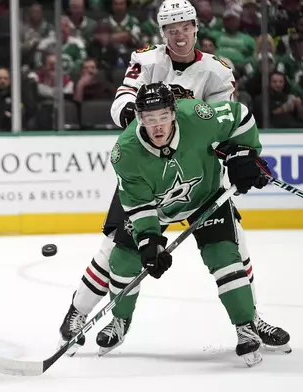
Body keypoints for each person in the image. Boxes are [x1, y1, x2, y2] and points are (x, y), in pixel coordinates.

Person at [57, 0, 290, 355]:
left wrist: (243, 155)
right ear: (162, 32)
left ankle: (250, 318)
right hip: (148, 170)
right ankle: (80, 314)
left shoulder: (216, 70)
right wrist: (149, 131)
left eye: (184, 27)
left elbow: (225, 125)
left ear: (196, 28)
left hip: (197, 170)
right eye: (171, 29)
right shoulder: (147, 61)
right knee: (113, 251)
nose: (178, 35)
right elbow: (122, 103)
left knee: (232, 246)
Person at [97, 82, 272, 366]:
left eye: (163, 116)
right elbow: (139, 205)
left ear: (174, 113)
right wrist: (149, 241)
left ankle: (245, 326)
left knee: (224, 256)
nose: (158, 127)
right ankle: (119, 320)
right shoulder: (125, 152)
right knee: (123, 259)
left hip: (206, 196)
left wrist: (245, 153)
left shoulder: (198, 116)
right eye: (150, 119)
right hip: (158, 207)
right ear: (139, 118)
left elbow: (241, 116)